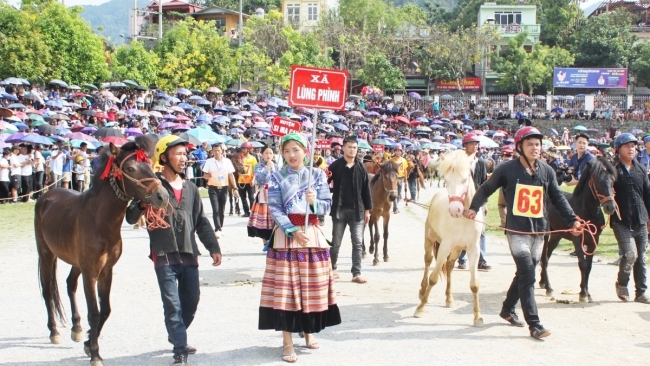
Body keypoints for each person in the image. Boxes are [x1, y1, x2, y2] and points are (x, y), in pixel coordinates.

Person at [464, 126, 581, 339]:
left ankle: (507, 309)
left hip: (539, 232)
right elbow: (485, 189)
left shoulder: (546, 170)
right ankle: (535, 324)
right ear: (520, 147)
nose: (535, 148)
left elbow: (558, 197)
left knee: (524, 274)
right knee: (528, 273)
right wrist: (474, 207)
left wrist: (572, 219)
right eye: (530, 144)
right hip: (516, 231)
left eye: (538, 144)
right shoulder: (506, 169)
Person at [126, 135, 222, 365]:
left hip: (189, 254)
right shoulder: (153, 185)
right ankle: (180, 349)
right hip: (164, 254)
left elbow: (201, 221)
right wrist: (142, 204)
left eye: (185, 154)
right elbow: (131, 217)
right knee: (172, 304)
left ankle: (176, 333)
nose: (184, 158)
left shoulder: (191, 187)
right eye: (178, 153)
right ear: (163, 157)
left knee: (191, 302)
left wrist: (213, 247)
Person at [259, 133, 340, 363]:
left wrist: (313, 201)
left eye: (296, 149)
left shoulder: (318, 175)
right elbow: (274, 208)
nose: (291, 155)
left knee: (309, 286)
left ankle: (308, 331)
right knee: (286, 289)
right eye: (286, 151)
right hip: (286, 237)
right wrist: (292, 230)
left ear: (306, 151)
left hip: (312, 236)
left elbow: (326, 207)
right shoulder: (276, 176)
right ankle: (287, 341)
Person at [610, 133, 650, 304]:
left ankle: (641, 292)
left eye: (633, 145)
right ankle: (622, 283)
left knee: (641, 257)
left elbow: (648, 194)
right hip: (621, 219)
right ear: (618, 149)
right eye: (627, 145)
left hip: (640, 218)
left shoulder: (641, 168)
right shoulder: (611, 169)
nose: (631, 148)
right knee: (630, 254)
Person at [328, 136, 372, 283]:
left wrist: (368, 210)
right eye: (349, 147)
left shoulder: (361, 167)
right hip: (339, 210)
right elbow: (323, 183)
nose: (352, 150)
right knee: (336, 242)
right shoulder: (335, 166)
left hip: (357, 211)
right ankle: (332, 268)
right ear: (344, 148)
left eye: (355, 147)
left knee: (358, 242)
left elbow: (366, 190)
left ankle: (356, 273)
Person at [457, 133, 491, 271]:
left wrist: (485, 202)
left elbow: (483, 183)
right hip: (463, 200)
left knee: (480, 230)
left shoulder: (480, 162)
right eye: (472, 143)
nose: (475, 146)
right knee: (463, 228)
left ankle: (481, 260)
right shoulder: (459, 162)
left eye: (476, 143)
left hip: (478, 200)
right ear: (465, 145)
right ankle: (461, 258)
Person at [202, 143, 238, 238]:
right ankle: (217, 228)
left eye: (218, 150)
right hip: (213, 187)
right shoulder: (209, 161)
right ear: (212, 151)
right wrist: (207, 176)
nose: (217, 152)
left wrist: (235, 188)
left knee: (221, 210)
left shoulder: (227, 161)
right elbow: (204, 175)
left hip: (224, 188)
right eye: (215, 150)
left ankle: (220, 227)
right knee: (215, 208)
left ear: (222, 151)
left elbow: (231, 175)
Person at [247, 146, 277, 244]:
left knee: (274, 219)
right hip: (263, 195)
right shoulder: (258, 166)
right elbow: (259, 180)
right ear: (262, 154)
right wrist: (267, 168)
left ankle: (274, 241)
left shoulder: (276, 167)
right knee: (264, 220)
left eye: (271, 153)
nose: (269, 155)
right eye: (266, 153)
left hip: (275, 195)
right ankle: (265, 241)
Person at [238, 141, 258, 217]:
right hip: (241, 180)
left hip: (250, 181)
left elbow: (255, 170)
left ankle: (253, 212)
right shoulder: (239, 158)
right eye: (242, 148)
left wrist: (253, 180)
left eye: (244, 148)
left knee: (251, 197)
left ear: (248, 149)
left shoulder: (253, 159)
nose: (243, 150)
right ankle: (246, 212)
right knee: (243, 197)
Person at [391, 144, 408, 214]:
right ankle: (395, 208)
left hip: (401, 178)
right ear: (394, 152)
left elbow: (405, 171)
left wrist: (405, 180)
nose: (398, 152)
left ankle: (395, 206)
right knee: (395, 193)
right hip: (394, 178)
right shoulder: (391, 161)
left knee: (399, 193)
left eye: (399, 151)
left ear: (401, 152)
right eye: (396, 151)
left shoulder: (404, 160)